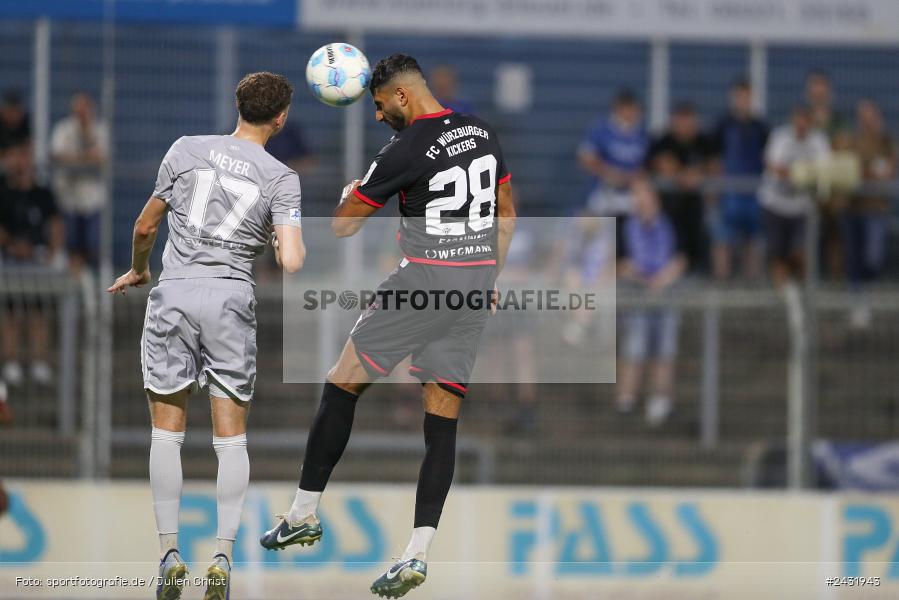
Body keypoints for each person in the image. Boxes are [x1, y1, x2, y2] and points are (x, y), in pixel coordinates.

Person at [260, 54, 515, 599]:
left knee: (341, 382)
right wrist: (489, 274)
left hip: (424, 281)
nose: (377, 116)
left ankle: (302, 513)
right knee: (441, 423)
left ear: (401, 95)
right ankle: (416, 554)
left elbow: (344, 226)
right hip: (472, 288)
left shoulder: (405, 147)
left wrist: (349, 192)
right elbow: (507, 213)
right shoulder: (483, 132)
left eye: (378, 105)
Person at [107, 72, 306, 600]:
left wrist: (140, 269)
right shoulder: (282, 178)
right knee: (231, 438)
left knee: (166, 434)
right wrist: (279, 242)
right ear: (281, 118)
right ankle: (222, 556)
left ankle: (169, 553)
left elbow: (145, 226)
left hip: (174, 292)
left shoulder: (186, 149)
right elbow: (291, 261)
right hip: (229, 300)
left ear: (237, 106)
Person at [616, 178, 686, 427]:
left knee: (664, 349)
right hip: (636, 295)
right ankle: (626, 400)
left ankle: (661, 400)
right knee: (634, 346)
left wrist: (662, 279)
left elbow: (682, 257)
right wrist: (637, 274)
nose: (639, 201)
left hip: (666, 295)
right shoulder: (624, 226)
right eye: (635, 196)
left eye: (643, 195)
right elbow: (618, 263)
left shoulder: (672, 223)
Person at [0, 143, 65, 387]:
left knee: (39, 314)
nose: (22, 163)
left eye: (26, 157)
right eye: (18, 157)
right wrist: (13, 245)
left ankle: (39, 361)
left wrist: (51, 252)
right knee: (11, 315)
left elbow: (56, 224)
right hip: (11, 261)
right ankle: (11, 361)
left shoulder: (43, 194)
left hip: (38, 262)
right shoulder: (4, 193)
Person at [759, 105, 830, 290]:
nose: (801, 126)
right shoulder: (780, 136)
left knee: (801, 252)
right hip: (775, 204)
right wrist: (802, 173)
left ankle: (803, 290)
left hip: (802, 207)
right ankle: (784, 296)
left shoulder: (818, 141)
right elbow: (774, 166)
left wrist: (798, 174)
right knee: (777, 255)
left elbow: (823, 170)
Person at [843, 99, 896, 328]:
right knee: (853, 260)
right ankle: (857, 302)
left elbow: (889, 171)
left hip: (876, 210)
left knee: (872, 258)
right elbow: (850, 171)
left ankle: (868, 295)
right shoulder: (851, 141)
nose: (867, 121)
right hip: (853, 208)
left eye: (870, 117)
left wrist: (867, 173)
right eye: (862, 117)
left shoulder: (886, 141)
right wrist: (870, 172)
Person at [577, 89, 649, 258]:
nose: (632, 113)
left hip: (631, 192)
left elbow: (646, 166)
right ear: (618, 109)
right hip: (603, 190)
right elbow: (585, 159)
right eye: (628, 109)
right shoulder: (602, 130)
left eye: (634, 109)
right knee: (591, 222)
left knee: (646, 207)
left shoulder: (641, 134)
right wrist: (610, 173)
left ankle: (639, 260)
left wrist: (634, 178)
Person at [710, 79, 768, 280]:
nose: (744, 101)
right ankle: (722, 282)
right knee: (722, 238)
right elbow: (714, 160)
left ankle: (750, 284)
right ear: (733, 98)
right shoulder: (723, 125)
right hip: (729, 193)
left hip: (753, 193)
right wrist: (716, 189)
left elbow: (766, 159)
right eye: (740, 96)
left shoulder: (760, 127)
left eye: (747, 97)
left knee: (752, 239)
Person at [646, 101, 712, 272]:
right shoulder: (664, 141)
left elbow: (714, 165)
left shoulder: (702, 141)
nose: (684, 126)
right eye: (681, 121)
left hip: (696, 206)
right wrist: (684, 174)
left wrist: (697, 172)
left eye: (688, 121)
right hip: (669, 207)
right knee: (672, 246)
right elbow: (662, 163)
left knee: (696, 245)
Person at [50, 93, 109, 273]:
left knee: (93, 245)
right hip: (69, 198)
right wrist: (85, 159)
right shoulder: (63, 129)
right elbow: (58, 156)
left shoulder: (99, 130)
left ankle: (92, 279)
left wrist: (75, 159)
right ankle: (74, 281)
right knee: (71, 246)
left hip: (92, 200)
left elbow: (100, 158)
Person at [0, 90, 31, 161]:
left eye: (15, 111)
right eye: (10, 111)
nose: (12, 115)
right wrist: (8, 155)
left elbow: (28, 144)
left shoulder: (24, 122)